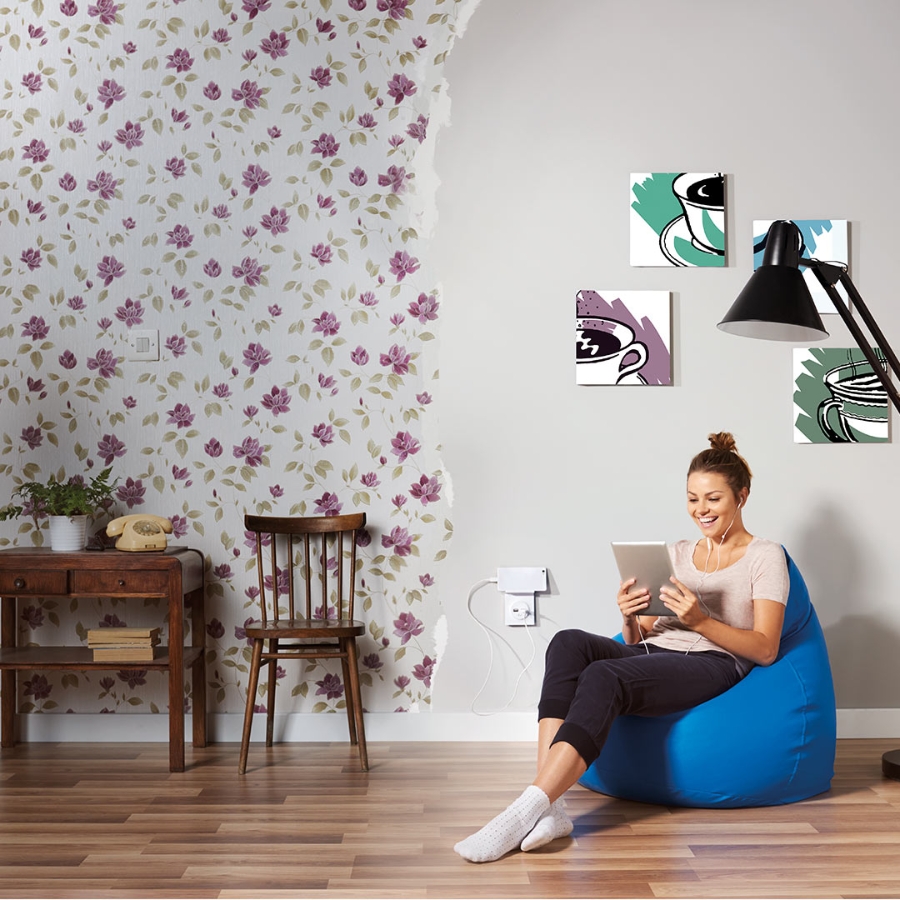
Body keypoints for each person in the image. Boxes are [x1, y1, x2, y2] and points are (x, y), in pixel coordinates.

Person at [454, 432, 789, 863]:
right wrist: (629, 615)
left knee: (603, 675)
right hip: (661, 651)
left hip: (715, 661)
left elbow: (764, 649)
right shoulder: (679, 552)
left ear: (741, 496)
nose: (700, 510)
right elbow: (640, 639)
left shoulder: (766, 556)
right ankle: (551, 807)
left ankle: (522, 812)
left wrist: (701, 621)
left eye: (713, 499)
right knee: (567, 642)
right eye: (692, 499)